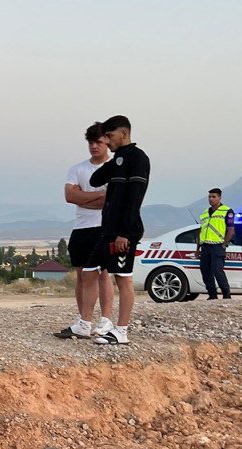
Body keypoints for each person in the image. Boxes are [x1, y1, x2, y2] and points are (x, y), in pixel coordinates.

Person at [88, 115, 150, 345]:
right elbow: (95, 180)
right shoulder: (118, 160)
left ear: (124, 134)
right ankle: (102, 323)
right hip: (108, 229)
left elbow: (135, 198)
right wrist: (111, 162)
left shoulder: (138, 158)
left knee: (123, 279)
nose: (107, 142)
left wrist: (125, 232)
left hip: (125, 231)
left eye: (110, 137)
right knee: (95, 272)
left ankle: (122, 330)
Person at [55, 122, 116, 339]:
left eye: (98, 142)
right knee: (82, 275)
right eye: (91, 142)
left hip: (104, 226)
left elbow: (111, 201)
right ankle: (84, 321)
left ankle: (106, 320)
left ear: (107, 142)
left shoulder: (114, 168)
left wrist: (86, 198)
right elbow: (70, 197)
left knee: (103, 274)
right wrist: (99, 195)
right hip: (81, 227)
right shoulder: (77, 169)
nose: (94, 146)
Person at [197, 188, 235, 300]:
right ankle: (212, 295)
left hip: (218, 246)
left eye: (214, 196)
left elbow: (231, 229)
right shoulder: (204, 213)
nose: (211, 199)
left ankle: (226, 295)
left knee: (217, 270)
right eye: (209, 197)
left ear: (219, 197)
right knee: (205, 271)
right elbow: (201, 231)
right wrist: (197, 248)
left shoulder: (227, 211)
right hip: (205, 246)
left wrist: (224, 244)